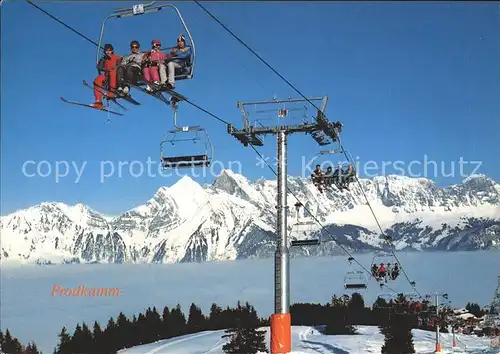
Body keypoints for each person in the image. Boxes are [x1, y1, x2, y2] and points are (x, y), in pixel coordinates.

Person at [92, 43, 121, 109]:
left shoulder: (117, 57)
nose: (108, 52)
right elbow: (99, 67)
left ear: (112, 51)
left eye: (109, 50)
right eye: (106, 50)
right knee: (97, 80)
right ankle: (98, 101)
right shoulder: (104, 59)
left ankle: (112, 92)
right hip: (107, 76)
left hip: (115, 76)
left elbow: (121, 64)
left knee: (112, 71)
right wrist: (102, 61)